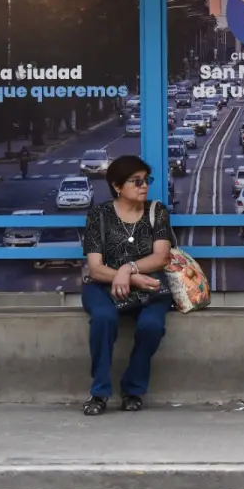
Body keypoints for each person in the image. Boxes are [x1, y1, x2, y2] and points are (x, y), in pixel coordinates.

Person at [80, 156, 174, 416]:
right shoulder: (99, 214)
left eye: (147, 180)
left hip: (150, 285)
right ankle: (99, 393)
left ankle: (132, 389)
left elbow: (161, 257)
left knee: (152, 326)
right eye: (137, 181)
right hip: (102, 286)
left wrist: (127, 269)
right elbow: (96, 268)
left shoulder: (158, 211)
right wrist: (127, 278)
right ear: (117, 186)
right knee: (103, 320)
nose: (144, 186)